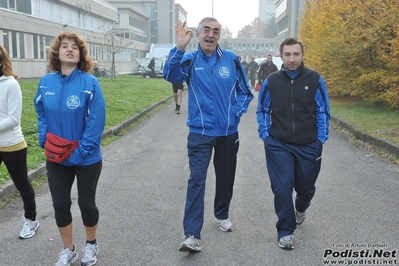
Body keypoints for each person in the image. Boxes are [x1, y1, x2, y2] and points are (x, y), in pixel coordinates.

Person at [163, 18, 253, 252]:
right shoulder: (190, 59)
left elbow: (245, 92)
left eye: (215, 31)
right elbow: (170, 75)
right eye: (206, 30)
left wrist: (234, 114)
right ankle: (192, 235)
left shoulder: (231, 59)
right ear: (199, 34)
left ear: (219, 35)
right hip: (200, 133)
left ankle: (221, 214)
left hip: (227, 132)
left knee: (226, 177)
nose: (210, 35)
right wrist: (179, 48)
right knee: (197, 180)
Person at [34, 32, 105, 266]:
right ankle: (68, 249)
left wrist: (82, 150)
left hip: (86, 157)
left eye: (75, 47)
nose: (70, 50)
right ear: (57, 52)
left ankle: (91, 245)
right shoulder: (46, 82)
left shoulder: (89, 82)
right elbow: (41, 110)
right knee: (60, 204)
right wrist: (44, 138)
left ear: (81, 54)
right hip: (56, 157)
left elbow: (96, 119)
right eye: (64, 46)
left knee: (86, 203)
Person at [256, 37, 330, 250]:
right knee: (282, 187)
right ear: (281, 56)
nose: (292, 58)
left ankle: (301, 206)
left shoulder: (315, 79)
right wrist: (265, 136)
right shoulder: (272, 81)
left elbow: (322, 110)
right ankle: (286, 231)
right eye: (287, 54)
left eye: (296, 54)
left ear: (302, 55)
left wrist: (320, 139)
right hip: (279, 144)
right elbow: (262, 109)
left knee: (306, 188)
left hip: (309, 145)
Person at [0, 45, 40, 239]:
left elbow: (13, 119)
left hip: (12, 145)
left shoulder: (11, 84)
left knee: (22, 184)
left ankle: (31, 220)